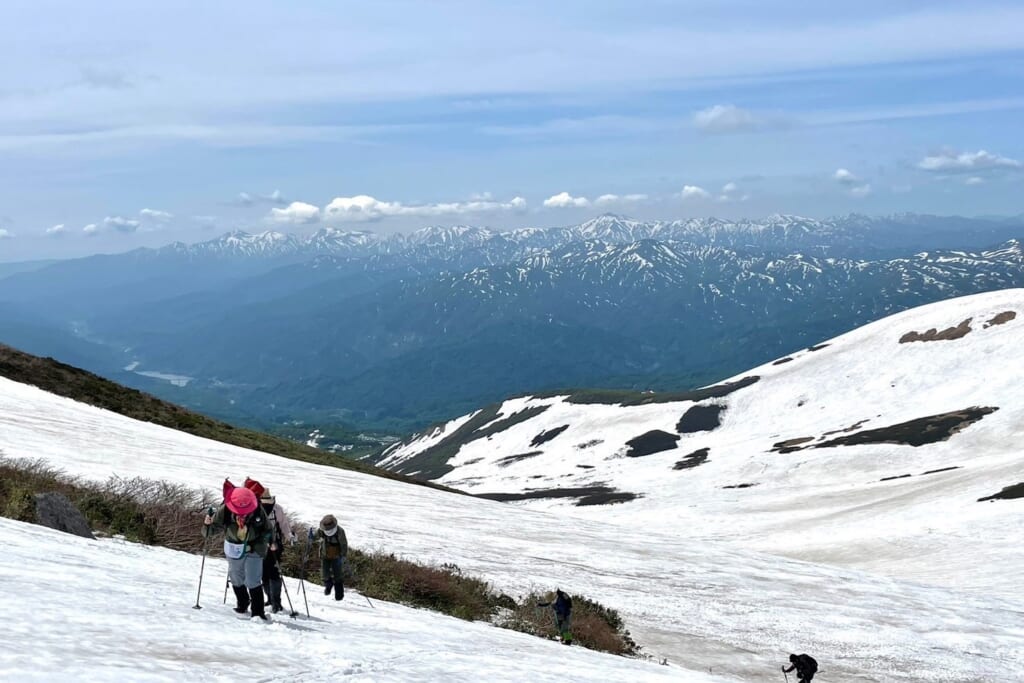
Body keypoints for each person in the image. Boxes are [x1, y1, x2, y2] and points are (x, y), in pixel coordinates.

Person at [202, 482, 273, 621]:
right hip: (234, 547)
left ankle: (258, 612)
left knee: (253, 580)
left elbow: (268, 529)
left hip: (255, 548)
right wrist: (207, 524)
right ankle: (242, 603)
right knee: (236, 577)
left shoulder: (258, 510)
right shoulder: (225, 510)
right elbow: (210, 531)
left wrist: (269, 540)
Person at [257, 488, 295, 614]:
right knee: (266, 573)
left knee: (270, 573)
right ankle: (272, 600)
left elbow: (284, 525)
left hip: (270, 545)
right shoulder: (275, 508)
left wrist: (290, 536)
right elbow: (284, 525)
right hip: (266, 545)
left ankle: (275, 602)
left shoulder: (273, 509)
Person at [311, 514, 347, 601]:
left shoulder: (340, 531)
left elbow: (344, 544)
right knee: (324, 574)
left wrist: (343, 555)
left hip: (337, 557)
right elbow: (315, 537)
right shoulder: (321, 530)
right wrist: (311, 536)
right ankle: (328, 585)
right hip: (324, 555)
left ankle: (339, 596)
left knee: (338, 576)